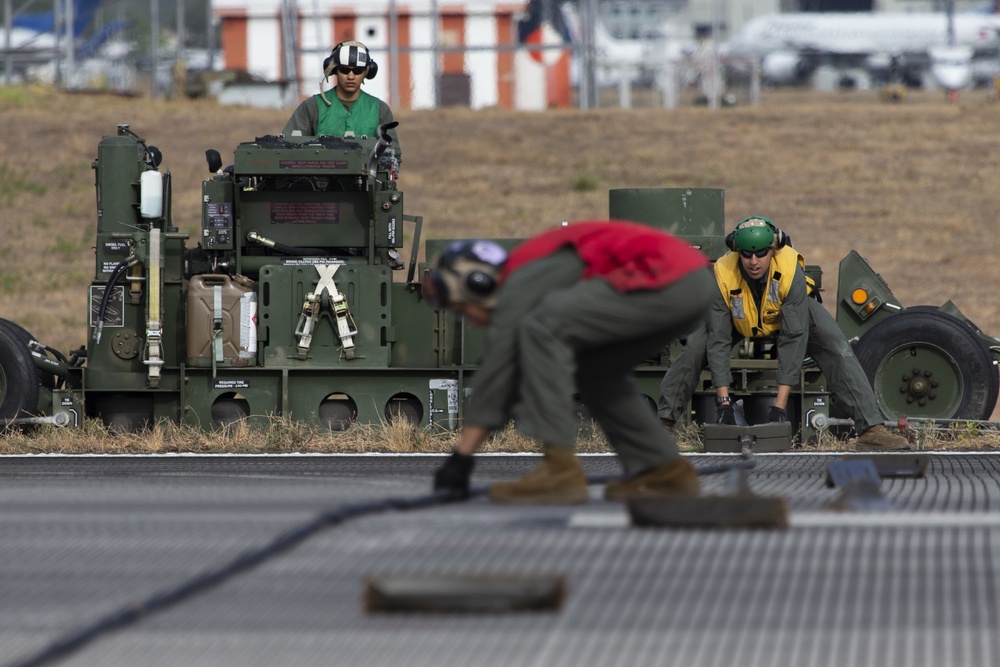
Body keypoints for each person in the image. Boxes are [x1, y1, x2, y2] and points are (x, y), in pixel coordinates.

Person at [425, 220, 716, 504]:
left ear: (480, 284)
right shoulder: (537, 266)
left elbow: (497, 368)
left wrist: (461, 459)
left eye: (463, 310)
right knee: (596, 372)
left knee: (544, 327)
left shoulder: (519, 278)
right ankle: (664, 473)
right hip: (691, 283)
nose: (471, 323)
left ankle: (559, 471)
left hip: (668, 278)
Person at [658, 216, 909, 451]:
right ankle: (663, 426)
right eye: (746, 254)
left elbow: (793, 338)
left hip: (792, 315)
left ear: (773, 249)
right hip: (741, 319)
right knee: (693, 347)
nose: (753, 261)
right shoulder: (723, 273)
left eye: (761, 253)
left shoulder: (790, 270)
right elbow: (718, 339)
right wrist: (723, 401)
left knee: (837, 348)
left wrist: (779, 406)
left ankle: (871, 430)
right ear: (737, 252)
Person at [282, 40, 401, 165]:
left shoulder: (380, 109)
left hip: (367, 181)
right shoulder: (312, 106)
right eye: (344, 70)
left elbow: (393, 154)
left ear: (367, 72)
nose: (351, 76)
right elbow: (287, 146)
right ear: (334, 71)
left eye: (357, 71)